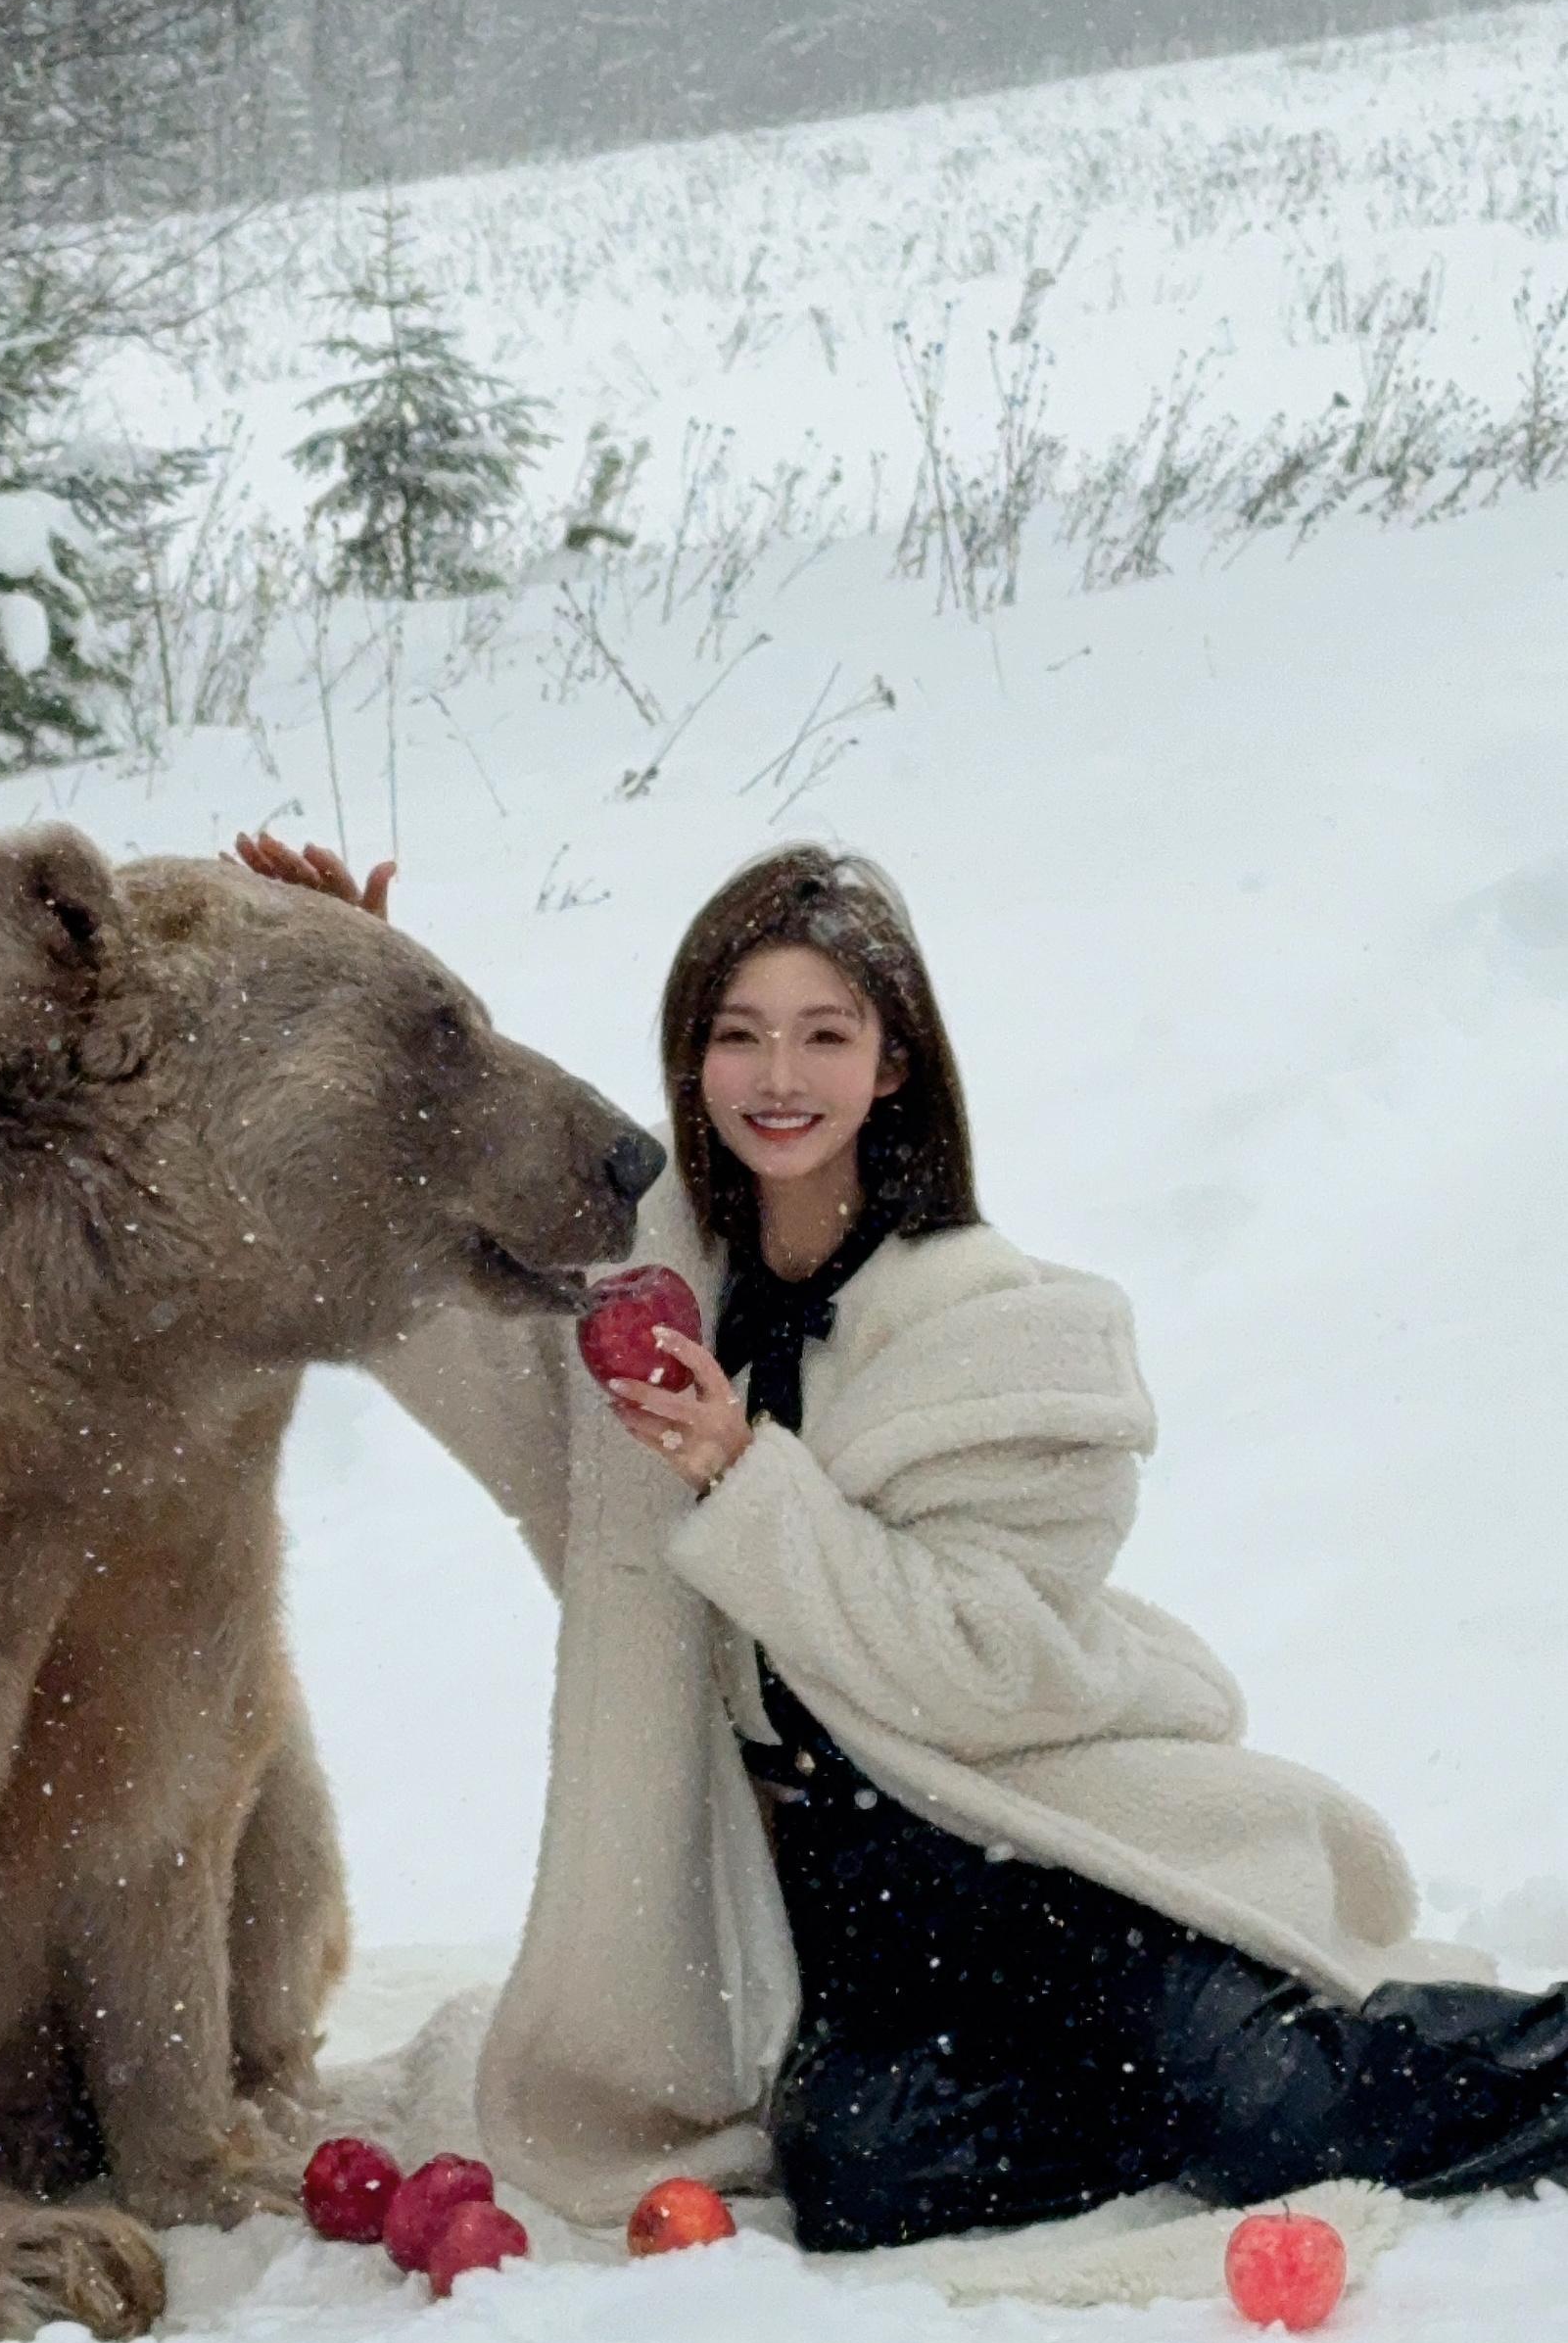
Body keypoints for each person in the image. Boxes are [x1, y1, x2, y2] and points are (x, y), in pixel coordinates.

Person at [232, 826, 1568, 2249]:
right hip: (862, 1933)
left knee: (1289, 2116)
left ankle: (1255, 2073)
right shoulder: (653, 1295)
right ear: (696, 1062)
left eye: (825, 1033)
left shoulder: (1009, 1330)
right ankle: (1175, 2101)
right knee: (864, 2176)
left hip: (1054, 1873)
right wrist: (378, 1020)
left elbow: (984, 1665)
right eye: (740, 1036)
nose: (780, 1076)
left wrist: (752, 1483)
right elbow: (451, 1280)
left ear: (894, 1063)